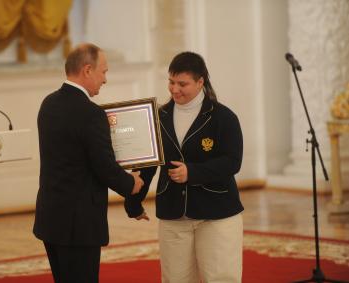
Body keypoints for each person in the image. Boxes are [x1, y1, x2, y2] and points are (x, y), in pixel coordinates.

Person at [125, 51, 244, 283]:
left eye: (182, 84)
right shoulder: (159, 117)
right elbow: (147, 164)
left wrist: (192, 172)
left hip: (217, 214)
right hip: (173, 214)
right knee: (175, 279)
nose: (174, 89)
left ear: (200, 82)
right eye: (171, 82)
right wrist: (133, 201)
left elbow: (232, 162)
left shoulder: (224, 117)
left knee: (221, 278)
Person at [33, 43, 144, 283]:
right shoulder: (91, 113)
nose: (105, 79)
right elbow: (103, 166)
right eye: (103, 71)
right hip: (79, 224)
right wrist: (131, 184)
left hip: (51, 217)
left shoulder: (48, 104)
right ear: (87, 70)